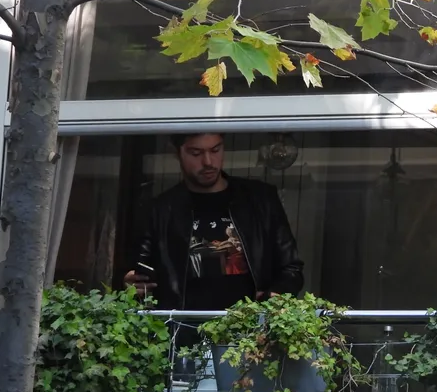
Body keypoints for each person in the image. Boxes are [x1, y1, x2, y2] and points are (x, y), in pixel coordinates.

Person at [124, 132, 304, 310]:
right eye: (196, 153)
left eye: (215, 150)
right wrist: (133, 286)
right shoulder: (161, 210)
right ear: (177, 153)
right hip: (183, 324)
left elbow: (291, 269)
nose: (208, 162)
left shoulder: (260, 200)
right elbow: (138, 272)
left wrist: (274, 296)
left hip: (250, 323)